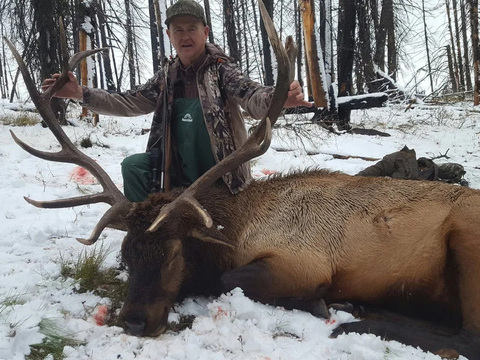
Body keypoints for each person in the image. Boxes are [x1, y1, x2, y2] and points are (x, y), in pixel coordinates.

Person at [42, 0, 312, 202]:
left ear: (205, 32)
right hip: (176, 174)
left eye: (191, 28)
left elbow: (251, 94)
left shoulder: (222, 70)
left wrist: (279, 97)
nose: (185, 36)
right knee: (133, 167)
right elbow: (127, 101)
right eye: (178, 29)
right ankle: (147, 234)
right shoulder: (166, 78)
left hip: (222, 177)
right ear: (169, 35)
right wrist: (81, 94)